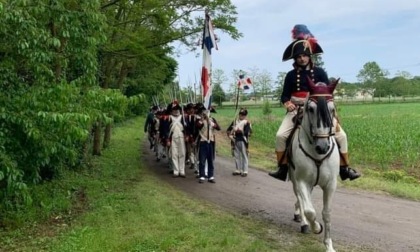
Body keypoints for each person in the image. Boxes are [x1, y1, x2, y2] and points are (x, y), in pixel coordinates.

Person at [269, 24, 361, 182]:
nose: (301, 58)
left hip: (318, 110)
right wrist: (287, 104)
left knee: (342, 136)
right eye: (298, 57)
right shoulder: (290, 75)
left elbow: (327, 94)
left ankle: (345, 168)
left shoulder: (320, 72)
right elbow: (284, 96)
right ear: (295, 59)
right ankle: (282, 168)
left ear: (309, 56)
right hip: (296, 110)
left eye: (304, 56)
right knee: (280, 136)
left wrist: (332, 111)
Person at [196, 106, 221, 183]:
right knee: (202, 160)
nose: (207, 113)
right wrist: (203, 119)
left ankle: (211, 176)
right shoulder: (199, 120)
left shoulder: (212, 120)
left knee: (210, 160)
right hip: (203, 141)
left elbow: (218, 128)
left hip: (211, 142)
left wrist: (210, 122)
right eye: (206, 112)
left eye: (208, 112)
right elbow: (198, 126)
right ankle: (202, 176)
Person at [227, 108, 252, 177]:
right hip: (235, 140)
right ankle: (238, 169)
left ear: (245, 115)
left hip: (243, 140)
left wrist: (238, 130)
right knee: (236, 155)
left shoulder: (247, 122)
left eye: (243, 115)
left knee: (244, 155)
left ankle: (245, 170)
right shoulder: (235, 121)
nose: (241, 116)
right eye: (240, 114)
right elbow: (228, 130)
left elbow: (247, 132)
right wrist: (230, 135)